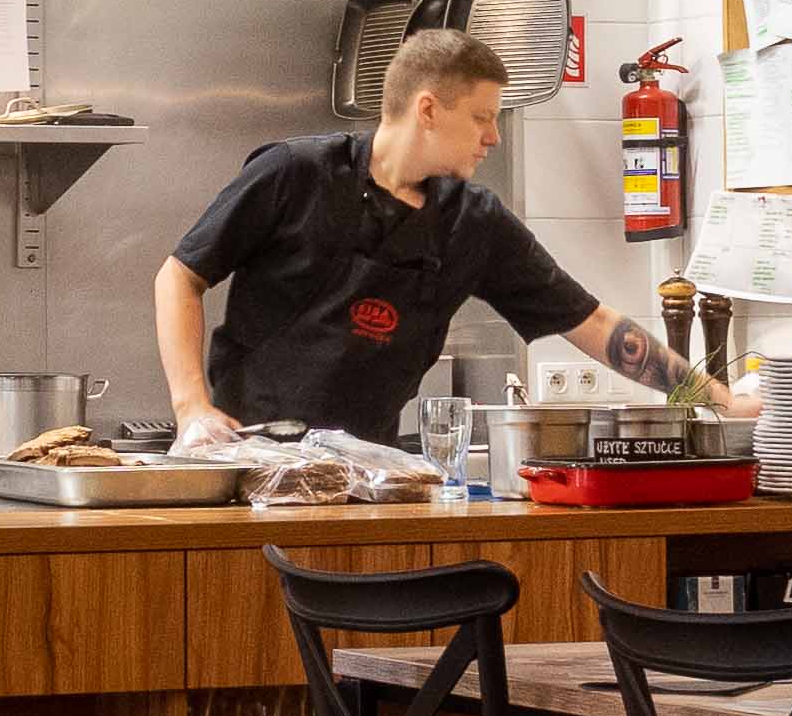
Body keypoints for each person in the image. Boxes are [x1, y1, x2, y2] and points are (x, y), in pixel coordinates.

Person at [154, 26, 698, 447]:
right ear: (429, 110)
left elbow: (594, 324)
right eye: (483, 117)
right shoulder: (294, 173)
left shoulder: (474, 221)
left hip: (367, 477)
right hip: (251, 465)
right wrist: (192, 409)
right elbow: (180, 275)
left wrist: (710, 399)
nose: (494, 136)